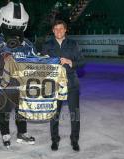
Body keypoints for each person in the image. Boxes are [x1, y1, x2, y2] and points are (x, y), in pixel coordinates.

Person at [0, 1, 36, 148]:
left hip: (20, 86)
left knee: (22, 112)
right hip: (1, 87)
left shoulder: (27, 44)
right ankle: (5, 134)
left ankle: (22, 133)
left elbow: (35, 62)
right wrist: (2, 56)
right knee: (3, 112)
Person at [41, 20, 85, 151]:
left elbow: (82, 61)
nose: (58, 31)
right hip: (54, 85)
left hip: (71, 83)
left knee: (74, 114)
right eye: (56, 29)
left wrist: (70, 62)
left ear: (66, 30)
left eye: (61, 28)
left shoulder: (73, 44)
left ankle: (74, 140)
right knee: (54, 114)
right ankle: (55, 139)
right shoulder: (47, 45)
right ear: (53, 30)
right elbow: (42, 64)